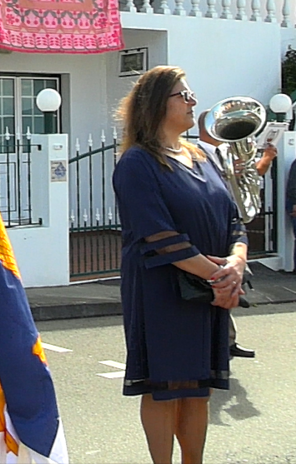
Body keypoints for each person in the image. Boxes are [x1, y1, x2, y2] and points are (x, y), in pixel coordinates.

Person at [113, 66, 247, 464]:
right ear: (156, 104)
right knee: (165, 387)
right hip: (162, 291)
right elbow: (157, 234)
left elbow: (233, 220)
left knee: (197, 388)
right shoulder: (138, 163)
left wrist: (236, 264)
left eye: (190, 94)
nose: (193, 102)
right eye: (182, 95)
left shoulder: (202, 156)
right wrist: (220, 275)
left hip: (208, 290)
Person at [197, 109, 277, 359]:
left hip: (230, 227)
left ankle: (226, 341)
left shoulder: (226, 155)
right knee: (217, 286)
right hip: (212, 228)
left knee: (229, 282)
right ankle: (218, 343)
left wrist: (264, 160)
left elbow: (252, 177)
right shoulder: (197, 155)